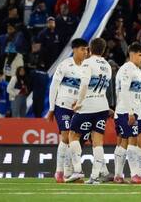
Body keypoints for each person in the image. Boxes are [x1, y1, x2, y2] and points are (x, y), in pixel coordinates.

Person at [66, 38, 113, 183]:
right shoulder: (107, 65)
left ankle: (78, 171)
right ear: (103, 50)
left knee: (73, 135)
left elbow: (85, 84)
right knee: (97, 141)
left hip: (87, 106)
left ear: (90, 49)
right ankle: (94, 177)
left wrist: (78, 103)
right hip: (102, 106)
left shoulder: (87, 63)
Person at [113, 43, 141, 184]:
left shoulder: (137, 70)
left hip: (138, 112)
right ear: (131, 55)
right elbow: (124, 91)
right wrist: (130, 112)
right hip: (126, 111)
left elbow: (139, 89)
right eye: (140, 55)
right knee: (129, 140)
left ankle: (127, 174)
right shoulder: (126, 70)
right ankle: (132, 175)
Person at [47, 38, 89, 183]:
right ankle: (59, 171)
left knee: (75, 140)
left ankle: (68, 170)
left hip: (78, 109)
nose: (85, 52)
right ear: (75, 50)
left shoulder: (87, 67)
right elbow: (54, 86)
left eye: (87, 49)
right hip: (63, 106)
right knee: (65, 136)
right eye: (83, 49)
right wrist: (51, 108)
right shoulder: (65, 65)